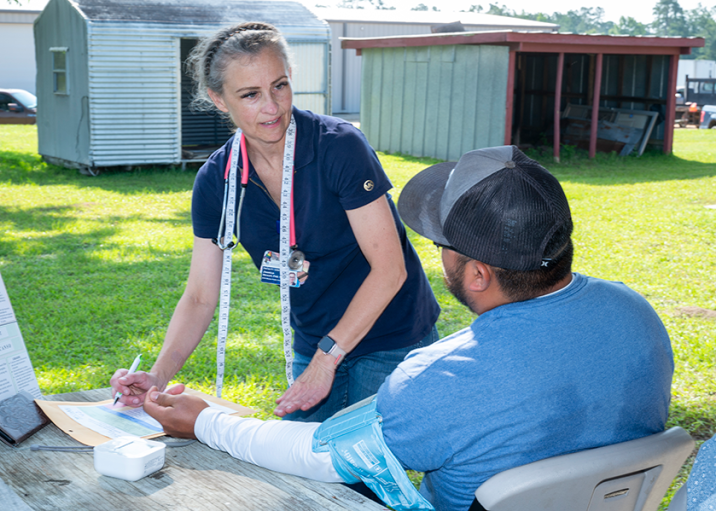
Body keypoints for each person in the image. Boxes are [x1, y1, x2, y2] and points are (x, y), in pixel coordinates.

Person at [143, 145, 674, 511]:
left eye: (444, 247)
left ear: (478, 275)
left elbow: (320, 458)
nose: (437, 256)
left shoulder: (442, 378)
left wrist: (206, 422)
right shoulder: (637, 315)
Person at [110, 22, 439, 422]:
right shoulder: (218, 180)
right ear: (218, 99)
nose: (272, 106)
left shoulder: (339, 148)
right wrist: (157, 376)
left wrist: (326, 362)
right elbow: (199, 295)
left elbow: (390, 270)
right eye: (250, 95)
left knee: (363, 468)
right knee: (302, 465)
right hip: (314, 338)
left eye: (279, 86)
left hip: (390, 334)